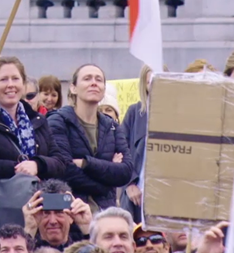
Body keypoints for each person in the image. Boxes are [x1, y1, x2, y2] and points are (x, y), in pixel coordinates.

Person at [0, 56, 70, 225]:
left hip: (37, 215)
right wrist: (14, 167)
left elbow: (61, 162)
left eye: (15, 78)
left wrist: (37, 165)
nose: (10, 85)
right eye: (3, 79)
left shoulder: (38, 120)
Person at [48, 64, 133, 210]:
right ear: (73, 88)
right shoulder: (58, 121)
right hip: (69, 213)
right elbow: (64, 170)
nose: (94, 82)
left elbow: (125, 171)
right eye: (87, 78)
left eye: (98, 80)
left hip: (105, 214)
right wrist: (106, 182)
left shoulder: (112, 126)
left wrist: (85, 164)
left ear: (104, 89)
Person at [120, 66, 156, 222]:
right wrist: (129, 184)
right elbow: (120, 151)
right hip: (137, 197)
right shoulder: (134, 113)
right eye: (150, 83)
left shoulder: (178, 116)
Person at [20, 180, 90, 250]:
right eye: (46, 213)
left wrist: (87, 229)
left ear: (71, 217)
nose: (53, 221)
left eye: (59, 212)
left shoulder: (81, 249)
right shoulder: (27, 249)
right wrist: (29, 230)